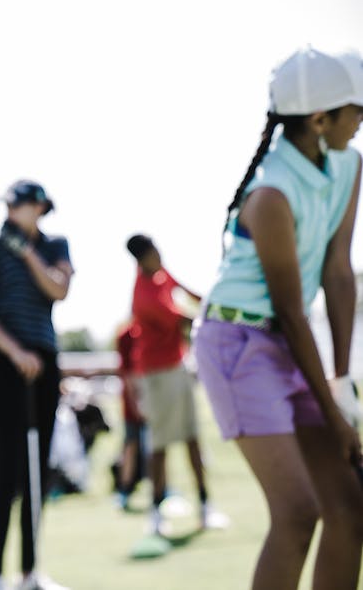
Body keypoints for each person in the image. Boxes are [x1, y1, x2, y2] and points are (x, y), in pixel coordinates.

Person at [193, 45, 363, 590]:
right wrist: (336, 414)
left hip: (290, 343)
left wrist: (342, 387)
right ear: (321, 119)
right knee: (297, 512)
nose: (361, 122)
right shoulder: (270, 193)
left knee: (349, 506)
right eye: (356, 111)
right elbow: (290, 311)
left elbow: (338, 271)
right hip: (236, 345)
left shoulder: (348, 164)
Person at [0, 180, 74, 590]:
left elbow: (59, 288)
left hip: (45, 362)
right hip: (7, 361)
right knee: (8, 471)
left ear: (38, 207)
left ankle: (31, 573)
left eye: (16, 206)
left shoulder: (55, 246)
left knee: (37, 470)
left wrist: (28, 252)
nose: (9, 213)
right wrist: (15, 353)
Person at [125, 234, 227, 538]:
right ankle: (155, 514)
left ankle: (205, 507)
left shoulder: (160, 275)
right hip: (157, 375)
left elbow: (185, 291)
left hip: (177, 368)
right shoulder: (143, 294)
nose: (160, 256)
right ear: (143, 257)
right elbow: (181, 319)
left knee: (193, 438)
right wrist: (217, 315)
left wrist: (209, 302)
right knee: (160, 446)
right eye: (155, 252)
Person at [111, 320, 148, 511]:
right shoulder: (126, 334)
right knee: (130, 445)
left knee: (157, 447)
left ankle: (161, 489)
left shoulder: (150, 330)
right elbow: (126, 372)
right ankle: (124, 489)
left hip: (151, 396)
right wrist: (136, 404)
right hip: (132, 402)